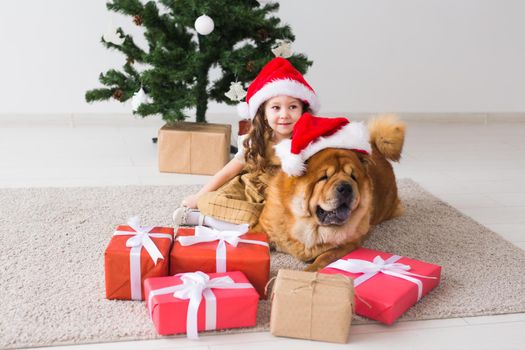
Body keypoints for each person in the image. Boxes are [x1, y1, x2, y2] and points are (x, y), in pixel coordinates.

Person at [173, 57, 320, 231]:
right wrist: (199, 196)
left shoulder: (309, 142)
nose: (284, 114)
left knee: (275, 222)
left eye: (292, 107)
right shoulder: (256, 138)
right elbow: (229, 171)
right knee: (212, 201)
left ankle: (205, 221)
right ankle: (207, 217)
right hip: (246, 189)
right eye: (276, 107)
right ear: (264, 113)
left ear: (303, 110)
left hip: (276, 199)